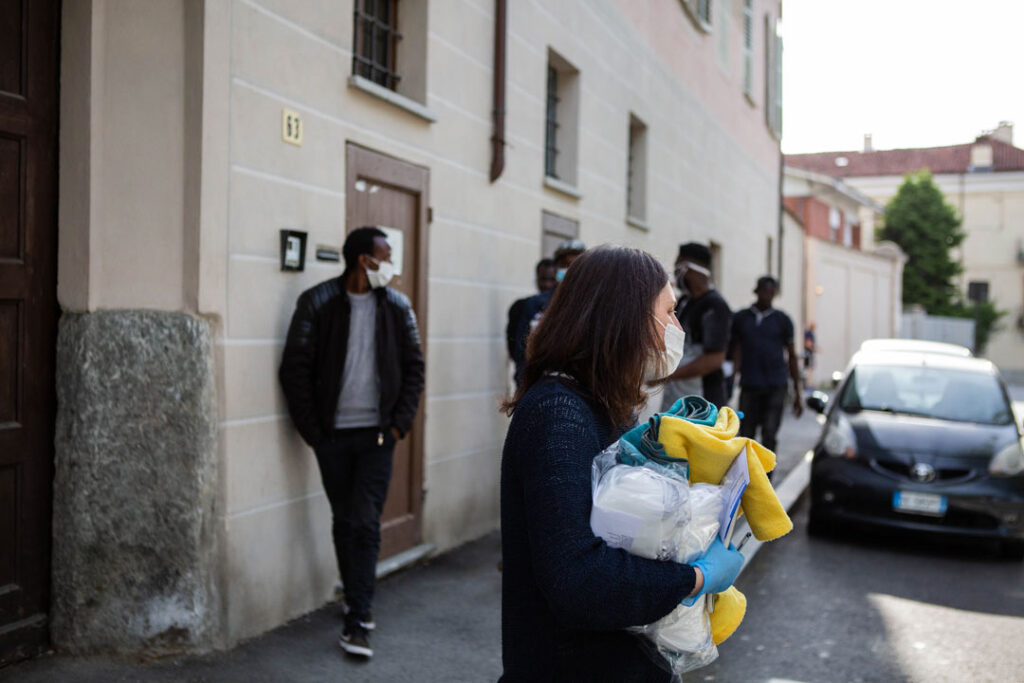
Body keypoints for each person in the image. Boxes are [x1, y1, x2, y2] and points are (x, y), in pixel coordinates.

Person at [500, 245, 744, 681]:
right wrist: (693, 579)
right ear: (625, 319)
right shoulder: (559, 414)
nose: (676, 327)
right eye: (668, 312)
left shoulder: (600, 403)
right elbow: (578, 580)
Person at [278, 226, 425, 659]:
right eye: (386, 254)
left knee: (364, 522)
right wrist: (314, 432)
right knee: (345, 520)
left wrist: (400, 425)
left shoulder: (399, 307)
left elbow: (414, 367)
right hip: (332, 437)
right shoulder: (317, 302)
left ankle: (358, 618)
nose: (391, 263)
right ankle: (355, 596)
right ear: (365, 259)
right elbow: (294, 368)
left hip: (378, 435)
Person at [730, 275, 803, 461]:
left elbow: (792, 356)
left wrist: (798, 393)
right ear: (757, 291)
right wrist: (731, 380)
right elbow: (735, 351)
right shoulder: (742, 318)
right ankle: (745, 479)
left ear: (775, 294)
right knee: (746, 435)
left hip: (776, 385)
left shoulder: (782, 320)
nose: (767, 295)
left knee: (769, 434)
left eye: (771, 292)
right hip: (750, 384)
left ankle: (766, 479)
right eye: (764, 291)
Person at [658, 242, 732, 410]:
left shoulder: (714, 306)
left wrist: (667, 376)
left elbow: (713, 360)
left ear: (689, 269)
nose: (677, 276)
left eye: (679, 270)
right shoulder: (684, 302)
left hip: (702, 403)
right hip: (678, 398)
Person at [510, 239, 586, 385]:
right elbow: (521, 349)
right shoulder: (536, 305)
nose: (569, 269)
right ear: (556, 268)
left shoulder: (591, 305)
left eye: (575, 264)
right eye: (564, 264)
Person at [506, 258, 556, 369]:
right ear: (537, 279)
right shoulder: (522, 307)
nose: (547, 285)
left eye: (551, 280)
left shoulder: (563, 309)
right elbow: (514, 345)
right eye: (543, 279)